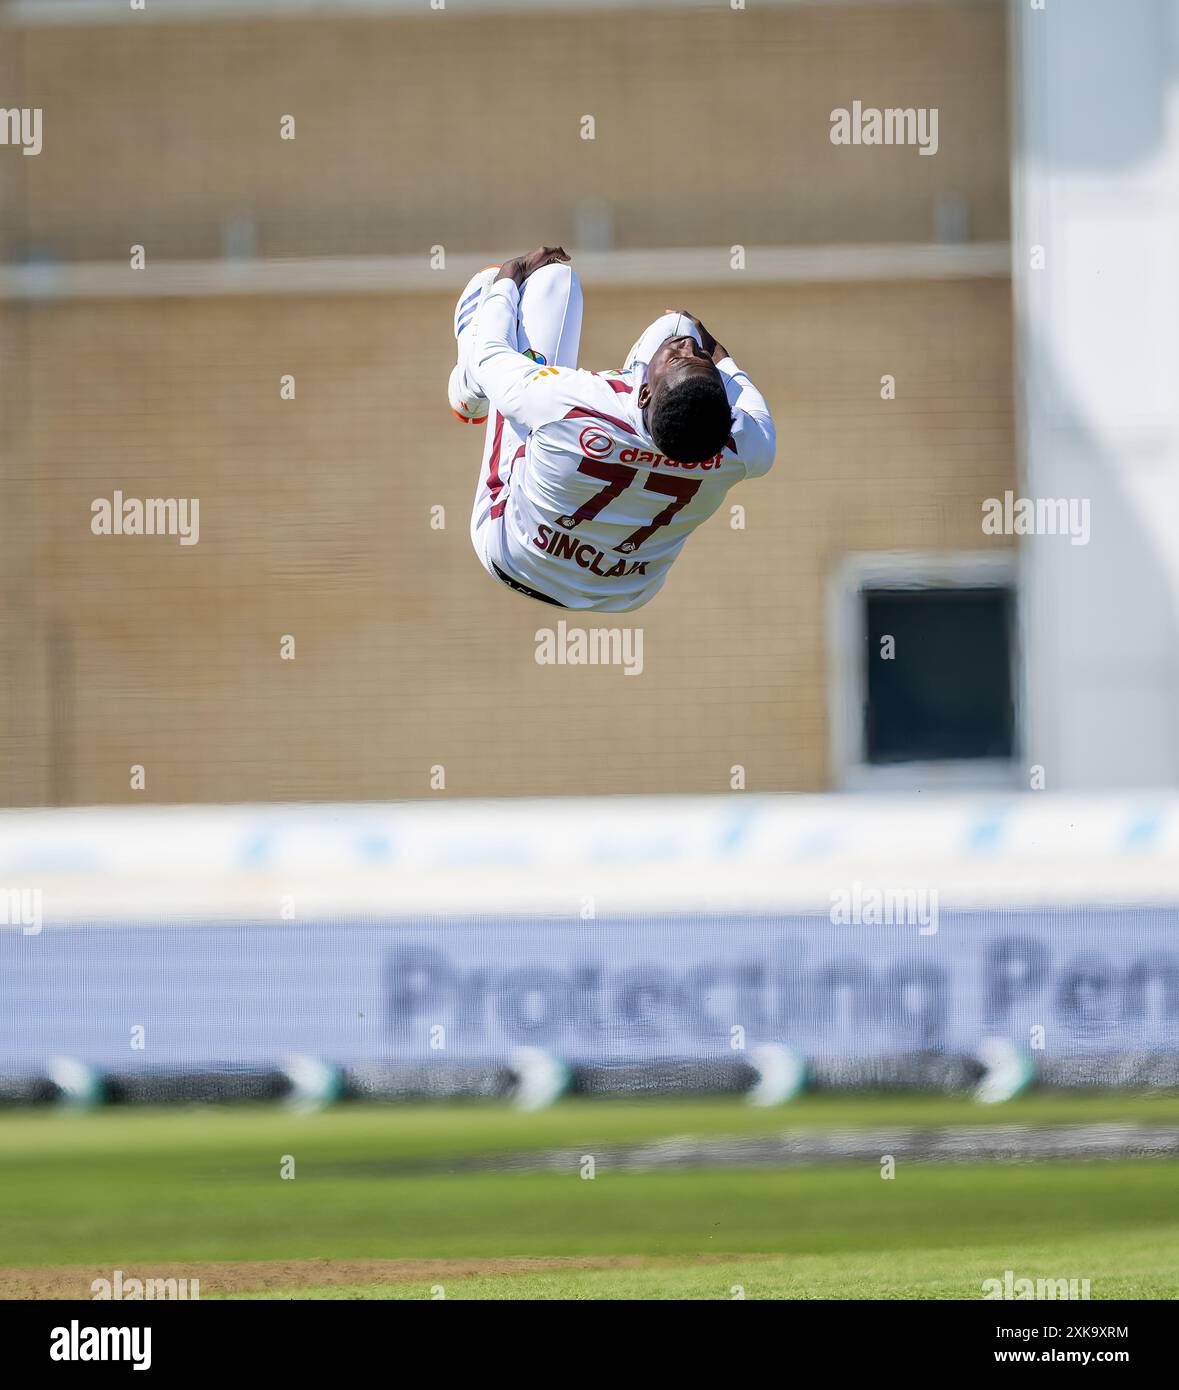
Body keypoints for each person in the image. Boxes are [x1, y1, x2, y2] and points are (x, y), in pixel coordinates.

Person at [448, 246, 775, 611]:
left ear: (644, 393)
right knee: (676, 324)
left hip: (511, 554)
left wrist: (509, 277)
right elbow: (759, 425)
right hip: (620, 592)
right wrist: (713, 355)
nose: (687, 346)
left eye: (680, 357)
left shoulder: (572, 404)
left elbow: (490, 356)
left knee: (549, 282)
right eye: (695, 355)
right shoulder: (742, 446)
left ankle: (465, 390)